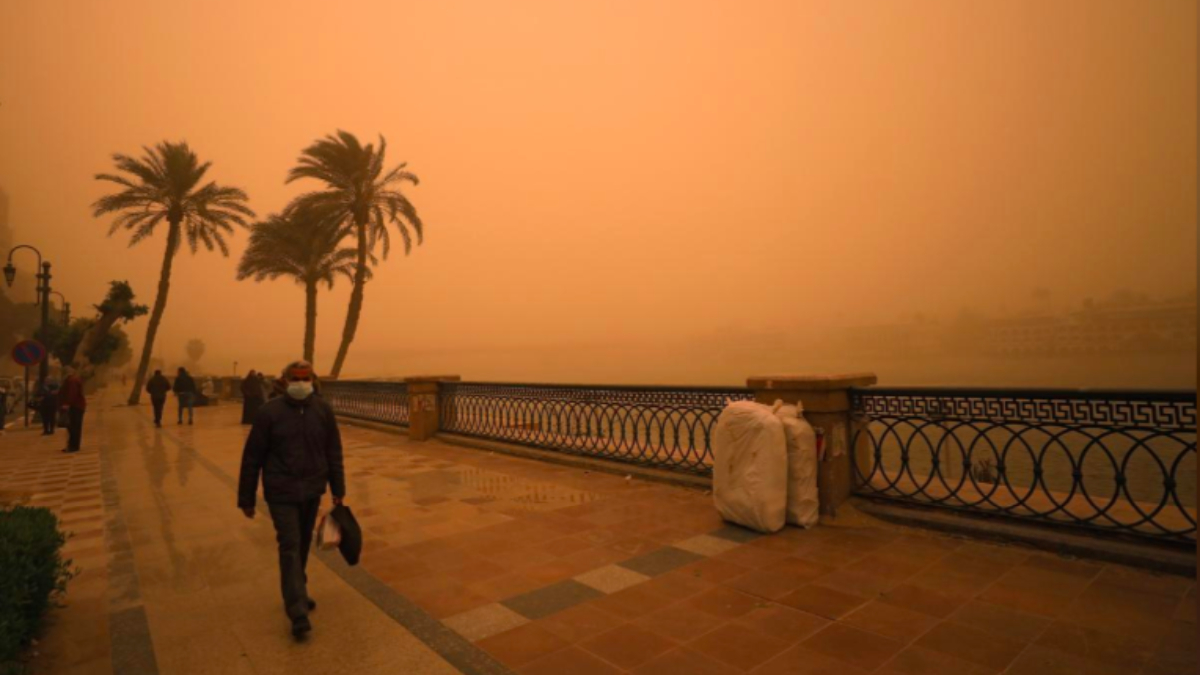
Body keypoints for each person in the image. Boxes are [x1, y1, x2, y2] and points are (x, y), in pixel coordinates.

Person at [237, 360, 345, 639]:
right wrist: (246, 497)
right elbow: (252, 458)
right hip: (280, 491)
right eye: (295, 378)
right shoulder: (268, 413)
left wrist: (338, 488)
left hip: (312, 489)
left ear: (312, 379)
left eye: (305, 378)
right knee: (289, 544)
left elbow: (333, 451)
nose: (300, 383)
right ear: (284, 381)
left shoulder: (323, 410)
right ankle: (297, 611)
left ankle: (299, 588)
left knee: (303, 543)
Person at [58, 369, 87, 453]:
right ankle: (72, 445)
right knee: (73, 427)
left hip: (75, 407)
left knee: (73, 427)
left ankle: (73, 446)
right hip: (76, 406)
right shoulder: (72, 380)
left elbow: (72, 393)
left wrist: (67, 403)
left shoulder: (71, 381)